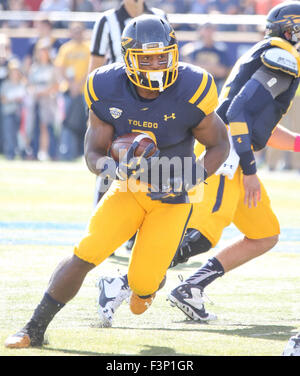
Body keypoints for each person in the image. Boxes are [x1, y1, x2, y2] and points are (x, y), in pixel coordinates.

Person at [4, 14, 229, 349]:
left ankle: (142, 286)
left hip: (173, 197)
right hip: (130, 188)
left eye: (161, 56)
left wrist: (189, 180)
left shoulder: (193, 86)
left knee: (142, 288)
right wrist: (114, 168)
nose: (155, 65)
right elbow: (93, 154)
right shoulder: (104, 86)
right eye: (145, 58)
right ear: (127, 59)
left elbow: (219, 145)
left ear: (174, 53)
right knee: (86, 252)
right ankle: (33, 328)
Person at [95, 1, 300, 328]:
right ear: (293, 30)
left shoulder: (269, 53)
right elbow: (236, 116)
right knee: (200, 235)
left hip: (237, 153)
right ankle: (121, 284)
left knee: (265, 234)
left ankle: (193, 285)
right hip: (230, 159)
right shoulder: (282, 58)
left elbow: (259, 124)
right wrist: (249, 171)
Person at [89, 0, 167, 209]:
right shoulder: (107, 20)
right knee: (112, 160)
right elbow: (94, 69)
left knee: (153, 160)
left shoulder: (159, 16)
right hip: (118, 101)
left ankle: (143, 224)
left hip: (154, 100)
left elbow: (170, 61)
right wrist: (93, 108)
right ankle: (101, 218)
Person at [55, 21, 90, 161]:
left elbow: (92, 68)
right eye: (74, 30)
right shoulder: (65, 48)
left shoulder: (89, 47)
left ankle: (85, 154)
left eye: (79, 30)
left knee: (87, 123)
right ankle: (66, 153)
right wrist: (71, 85)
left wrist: (79, 84)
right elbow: (59, 69)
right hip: (68, 92)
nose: (77, 33)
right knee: (67, 123)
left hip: (86, 91)